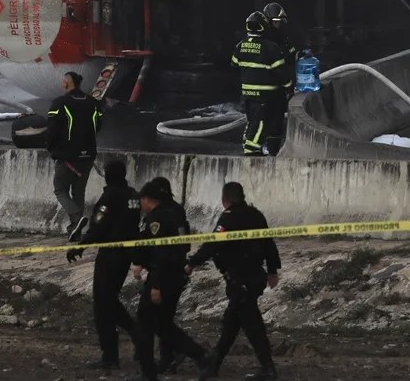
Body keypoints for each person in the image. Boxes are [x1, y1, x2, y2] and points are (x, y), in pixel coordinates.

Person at [188, 182, 281, 381]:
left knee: (251, 323)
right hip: (255, 277)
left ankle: (268, 368)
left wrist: (192, 263)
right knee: (232, 321)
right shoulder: (256, 215)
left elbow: (213, 244)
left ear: (225, 200)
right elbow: (269, 244)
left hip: (241, 279)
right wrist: (272, 270)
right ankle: (214, 364)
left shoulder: (228, 218)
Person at [130, 180, 207, 381]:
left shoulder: (156, 219)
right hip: (174, 276)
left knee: (145, 323)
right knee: (163, 324)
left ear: (147, 200)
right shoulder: (175, 212)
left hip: (162, 278)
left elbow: (160, 255)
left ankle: (148, 372)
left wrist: (155, 285)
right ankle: (200, 355)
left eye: (142, 200)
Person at [66, 160, 140, 370]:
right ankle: (135, 333)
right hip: (126, 255)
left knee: (103, 305)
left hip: (111, 256)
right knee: (109, 300)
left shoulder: (111, 196)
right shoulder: (133, 195)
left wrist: (80, 247)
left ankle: (110, 355)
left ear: (108, 176)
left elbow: (98, 225)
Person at [47, 71, 103, 237]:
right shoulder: (93, 102)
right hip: (88, 156)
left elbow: (52, 130)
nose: (61, 83)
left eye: (63, 80)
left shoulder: (60, 103)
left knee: (60, 190)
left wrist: (52, 149)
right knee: (79, 192)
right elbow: (98, 126)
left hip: (67, 156)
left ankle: (76, 217)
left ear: (67, 83)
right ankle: (76, 229)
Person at [231, 11, 291, 156]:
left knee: (252, 122)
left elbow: (234, 65)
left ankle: (248, 145)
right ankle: (251, 152)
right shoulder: (271, 48)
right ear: (264, 27)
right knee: (261, 125)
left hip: (247, 95)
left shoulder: (240, 46)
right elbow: (281, 73)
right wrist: (289, 86)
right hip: (265, 95)